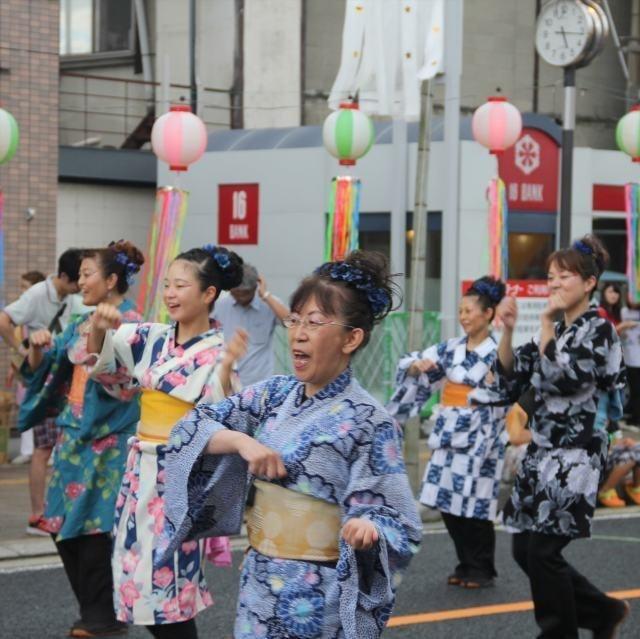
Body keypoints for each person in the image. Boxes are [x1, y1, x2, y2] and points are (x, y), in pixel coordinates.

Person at [161, 251, 421, 638]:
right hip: (259, 581)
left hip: (318, 593)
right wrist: (241, 443)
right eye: (294, 320)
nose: (297, 333)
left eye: (314, 323)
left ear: (352, 338)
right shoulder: (273, 395)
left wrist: (369, 527)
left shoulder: (370, 419)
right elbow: (188, 428)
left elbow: (396, 516)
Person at [87, 245, 247, 639]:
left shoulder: (216, 353)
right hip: (139, 472)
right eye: (168, 285)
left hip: (178, 480)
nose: (171, 294)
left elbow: (222, 416)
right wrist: (99, 327)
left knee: (166, 588)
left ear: (209, 294)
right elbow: (102, 362)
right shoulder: (150, 337)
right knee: (138, 582)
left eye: (182, 285)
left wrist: (225, 371)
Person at [495, 235, 629, 638]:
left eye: (564, 276)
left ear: (588, 283)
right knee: (525, 548)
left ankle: (559, 632)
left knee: (544, 551)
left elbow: (566, 377)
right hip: (542, 449)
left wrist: (545, 325)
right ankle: (602, 611)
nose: (553, 284)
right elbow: (510, 373)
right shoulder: (555, 330)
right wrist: (507, 329)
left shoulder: (599, 329)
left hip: (576, 453)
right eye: (551, 276)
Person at [20, 240, 144, 638]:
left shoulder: (134, 324)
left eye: (88, 274)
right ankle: (96, 611)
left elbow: (119, 385)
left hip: (107, 440)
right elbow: (47, 366)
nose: (81, 281)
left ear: (110, 280)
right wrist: (38, 348)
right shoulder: (80, 320)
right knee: (57, 523)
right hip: (72, 437)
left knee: (93, 528)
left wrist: (104, 336)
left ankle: (102, 617)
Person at [387, 276, 508, 589]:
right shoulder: (452, 348)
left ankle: (481, 568)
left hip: (481, 436)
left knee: (475, 504)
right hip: (449, 433)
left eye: (470, 310)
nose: (464, 316)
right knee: (446, 502)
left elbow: (507, 389)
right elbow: (409, 361)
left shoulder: (497, 351)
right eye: (461, 310)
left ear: (488, 314)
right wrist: (418, 366)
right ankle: (465, 563)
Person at [0, 250, 82, 534]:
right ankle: (37, 515)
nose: (80, 286)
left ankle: (57, 510)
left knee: (65, 446)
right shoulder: (37, 294)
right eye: (76, 281)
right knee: (43, 448)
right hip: (46, 380)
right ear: (62, 277)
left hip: (68, 380)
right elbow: (4, 320)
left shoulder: (73, 298)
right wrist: (21, 349)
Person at [212, 263, 289, 387]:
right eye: (236, 293)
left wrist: (265, 295)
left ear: (255, 287)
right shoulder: (219, 305)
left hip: (260, 386)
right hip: (227, 383)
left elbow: (291, 323)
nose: (240, 297)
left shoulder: (269, 303)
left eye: (245, 293)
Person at [8, 271, 46, 467]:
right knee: (25, 406)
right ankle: (26, 450)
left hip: (42, 368)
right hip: (25, 370)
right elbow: (16, 341)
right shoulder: (21, 312)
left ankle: (47, 450)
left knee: (45, 411)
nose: (22, 291)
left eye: (26, 287)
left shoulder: (42, 310)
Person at [619, 295, 640, 426]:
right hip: (629, 357)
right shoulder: (623, 311)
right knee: (633, 389)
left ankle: (636, 418)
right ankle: (634, 416)